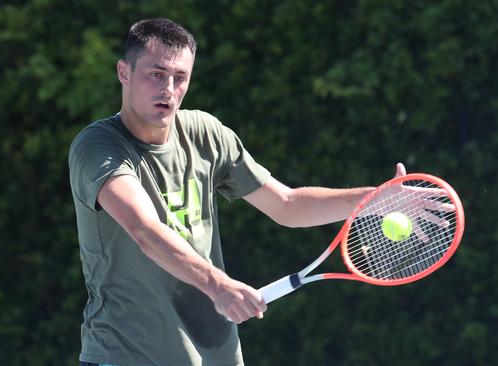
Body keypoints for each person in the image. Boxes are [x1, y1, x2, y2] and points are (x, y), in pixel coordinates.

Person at [68, 18, 407, 366]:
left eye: (180, 77)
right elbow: (145, 231)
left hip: (217, 357)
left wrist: (373, 199)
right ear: (124, 72)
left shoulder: (206, 134)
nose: (169, 89)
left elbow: (286, 204)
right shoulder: (97, 147)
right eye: (156, 74)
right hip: (125, 356)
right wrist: (218, 285)